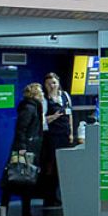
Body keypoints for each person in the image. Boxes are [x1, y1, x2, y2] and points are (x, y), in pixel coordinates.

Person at [1, 82, 44, 216]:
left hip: (26, 148)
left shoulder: (33, 107)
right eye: (40, 92)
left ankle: (25, 213)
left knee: (26, 180)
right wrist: (22, 150)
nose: (42, 94)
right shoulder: (29, 108)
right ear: (35, 94)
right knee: (13, 179)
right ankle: (5, 213)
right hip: (23, 150)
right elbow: (21, 129)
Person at [39, 73, 73, 207]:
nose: (51, 86)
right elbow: (42, 120)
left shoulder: (65, 96)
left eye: (54, 82)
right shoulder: (44, 100)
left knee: (63, 167)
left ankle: (59, 195)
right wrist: (54, 116)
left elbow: (70, 114)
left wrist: (71, 133)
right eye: (48, 84)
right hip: (52, 136)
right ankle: (49, 197)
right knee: (51, 167)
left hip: (64, 135)